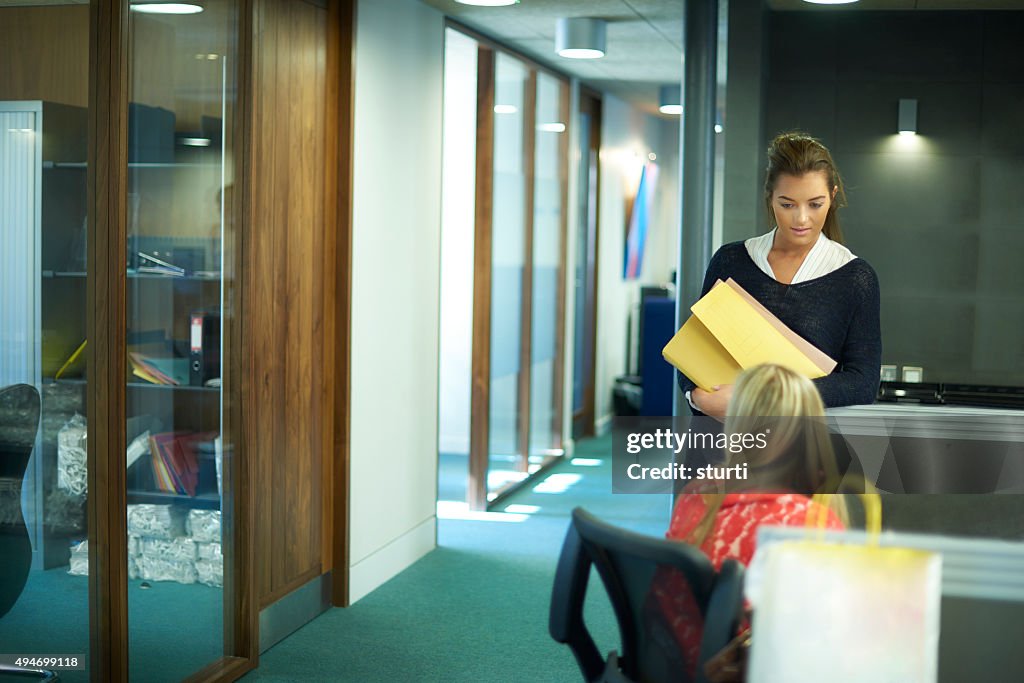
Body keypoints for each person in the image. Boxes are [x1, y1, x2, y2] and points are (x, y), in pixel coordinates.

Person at [680, 132, 881, 420]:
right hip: (719, 444)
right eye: (787, 204)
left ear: (832, 197)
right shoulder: (731, 260)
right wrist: (697, 397)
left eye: (815, 204)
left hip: (804, 448)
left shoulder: (854, 277)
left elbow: (863, 382)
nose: (801, 219)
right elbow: (692, 348)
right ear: (770, 197)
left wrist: (764, 397)